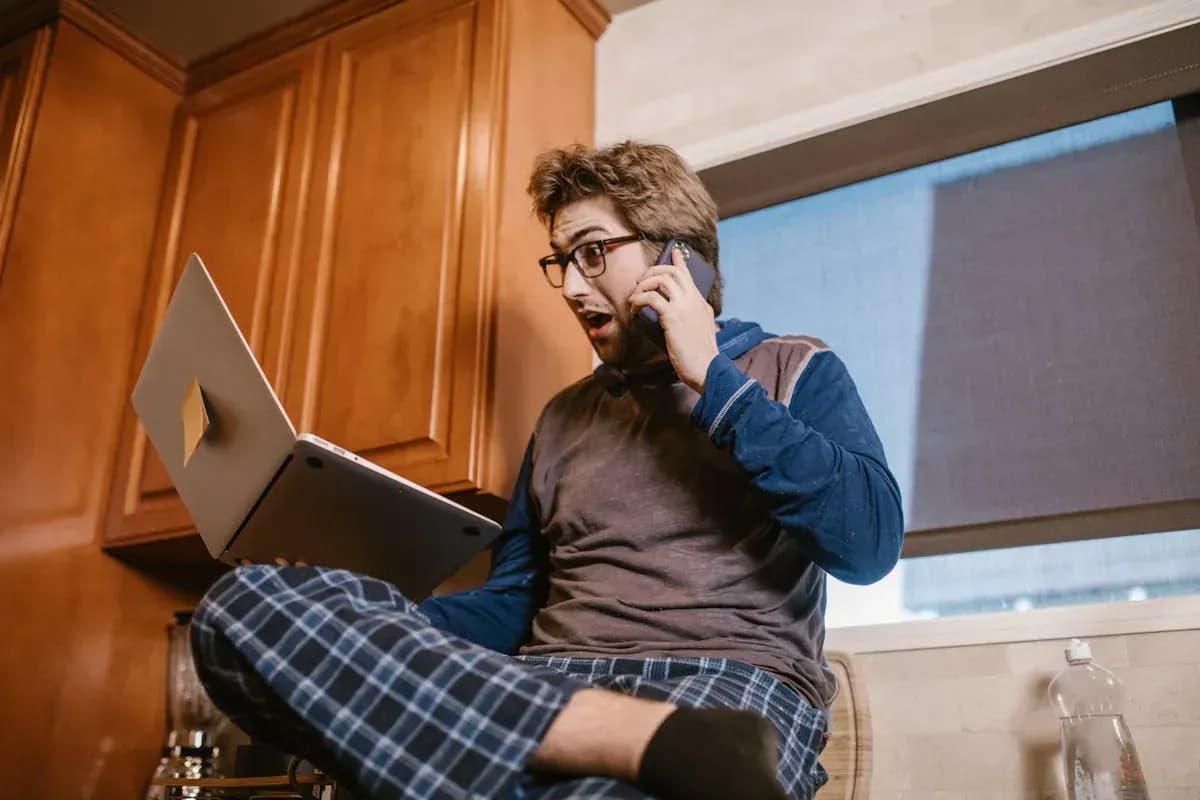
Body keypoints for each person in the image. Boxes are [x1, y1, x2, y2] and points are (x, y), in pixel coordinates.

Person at [191, 142, 904, 800]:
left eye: (593, 253)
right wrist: (380, 622)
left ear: (679, 259)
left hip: (722, 686)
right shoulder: (562, 418)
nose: (569, 286)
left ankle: (672, 745)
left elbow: (868, 546)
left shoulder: (792, 370)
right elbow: (513, 604)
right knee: (239, 612)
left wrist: (712, 378)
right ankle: (631, 741)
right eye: (561, 260)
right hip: (543, 690)